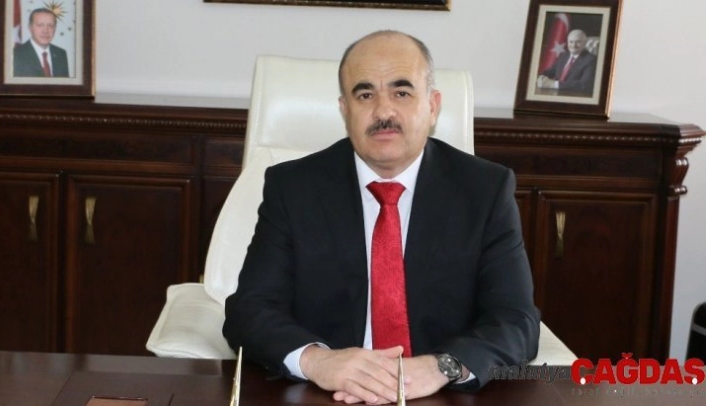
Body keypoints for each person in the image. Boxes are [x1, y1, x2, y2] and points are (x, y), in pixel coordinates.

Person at [223, 30, 540, 404]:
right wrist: (317, 361)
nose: (384, 112)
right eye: (365, 95)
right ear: (345, 109)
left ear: (433, 106)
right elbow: (249, 311)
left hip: (439, 393)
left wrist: (443, 367)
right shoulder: (293, 189)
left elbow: (515, 320)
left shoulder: (484, 191)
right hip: (325, 394)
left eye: (401, 93)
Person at [537, 29, 596, 95]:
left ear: (584, 43)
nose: (573, 45)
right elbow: (551, 71)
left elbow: (584, 84)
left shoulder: (591, 59)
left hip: (573, 96)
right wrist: (541, 77)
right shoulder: (563, 55)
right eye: (571, 42)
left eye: (578, 42)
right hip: (554, 93)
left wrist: (553, 84)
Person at [13, 8, 69, 78]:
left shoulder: (61, 54)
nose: (45, 31)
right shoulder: (16, 55)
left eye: (50, 25)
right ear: (30, 27)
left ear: (55, 28)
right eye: (40, 25)